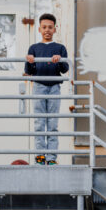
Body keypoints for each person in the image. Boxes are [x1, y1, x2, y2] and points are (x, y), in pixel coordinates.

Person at [23, 13, 69, 165]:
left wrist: (59, 60)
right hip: (39, 86)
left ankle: (51, 158)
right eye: (44, 27)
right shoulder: (34, 48)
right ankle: (40, 156)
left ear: (55, 29)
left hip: (54, 86)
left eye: (50, 27)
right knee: (39, 123)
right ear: (39, 29)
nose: (47, 30)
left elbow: (64, 69)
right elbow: (29, 71)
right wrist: (30, 61)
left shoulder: (60, 48)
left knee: (53, 123)